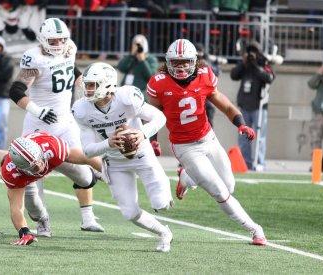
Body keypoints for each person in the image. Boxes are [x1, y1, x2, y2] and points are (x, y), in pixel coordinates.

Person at [147, 38, 267, 246]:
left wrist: (241, 124)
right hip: (185, 147)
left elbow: (227, 106)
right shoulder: (159, 83)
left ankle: (187, 177)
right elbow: (152, 114)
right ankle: (255, 229)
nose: (181, 66)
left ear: (195, 62)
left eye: (185, 61)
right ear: (168, 63)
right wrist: (153, 140)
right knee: (219, 191)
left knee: (229, 185)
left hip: (208, 138)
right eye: (176, 62)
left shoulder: (205, 77)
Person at [8, 17, 104, 236]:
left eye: (62, 39)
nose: (58, 44)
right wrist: (37, 110)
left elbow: (71, 70)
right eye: (53, 40)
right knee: (32, 182)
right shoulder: (34, 58)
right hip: (38, 128)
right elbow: (16, 90)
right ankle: (42, 222)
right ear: (42, 39)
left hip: (65, 122)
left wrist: (86, 85)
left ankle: (89, 212)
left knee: (83, 174)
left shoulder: (70, 48)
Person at [72, 62, 174, 252]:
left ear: (107, 84)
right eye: (87, 84)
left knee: (161, 203)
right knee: (129, 212)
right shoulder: (82, 110)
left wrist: (142, 134)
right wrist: (108, 143)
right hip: (114, 162)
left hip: (141, 153)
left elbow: (160, 117)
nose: (88, 89)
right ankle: (163, 232)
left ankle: (165, 191)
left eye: (93, 84)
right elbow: (87, 150)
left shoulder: (127, 98)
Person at [0, 132, 103, 245]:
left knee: (87, 180)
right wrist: (24, 232)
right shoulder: (13, 173)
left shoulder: (51, 148)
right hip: (26, 174)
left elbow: (86, 156)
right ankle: (42, 221)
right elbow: (16, 208)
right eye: (35, 167)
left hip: (48, 154)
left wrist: (106, 172)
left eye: (39, 161)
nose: (40, 166)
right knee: (34, 209)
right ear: (22, 168)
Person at [230, 41, 275, 171]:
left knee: (260, 136)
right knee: (244, 137)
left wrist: (256, 64)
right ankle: (246, 162)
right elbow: (234, 75)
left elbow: (269, 77)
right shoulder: (245, 65)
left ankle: (260, 162)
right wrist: (244, 63)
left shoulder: (263, 63)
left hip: (259, 107)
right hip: (245, 106)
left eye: (254, 52)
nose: (251, 55)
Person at [117, 34, 161, 155]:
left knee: (142, 121)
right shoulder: (131, 58)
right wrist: (132, 55)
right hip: (125, 94)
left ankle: (148, 144)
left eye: (140, 44)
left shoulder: (150, 58)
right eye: (135, 44)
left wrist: (142, 60)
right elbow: (121, 67)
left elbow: (151, 75)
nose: (137, 46)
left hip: (141, 94)